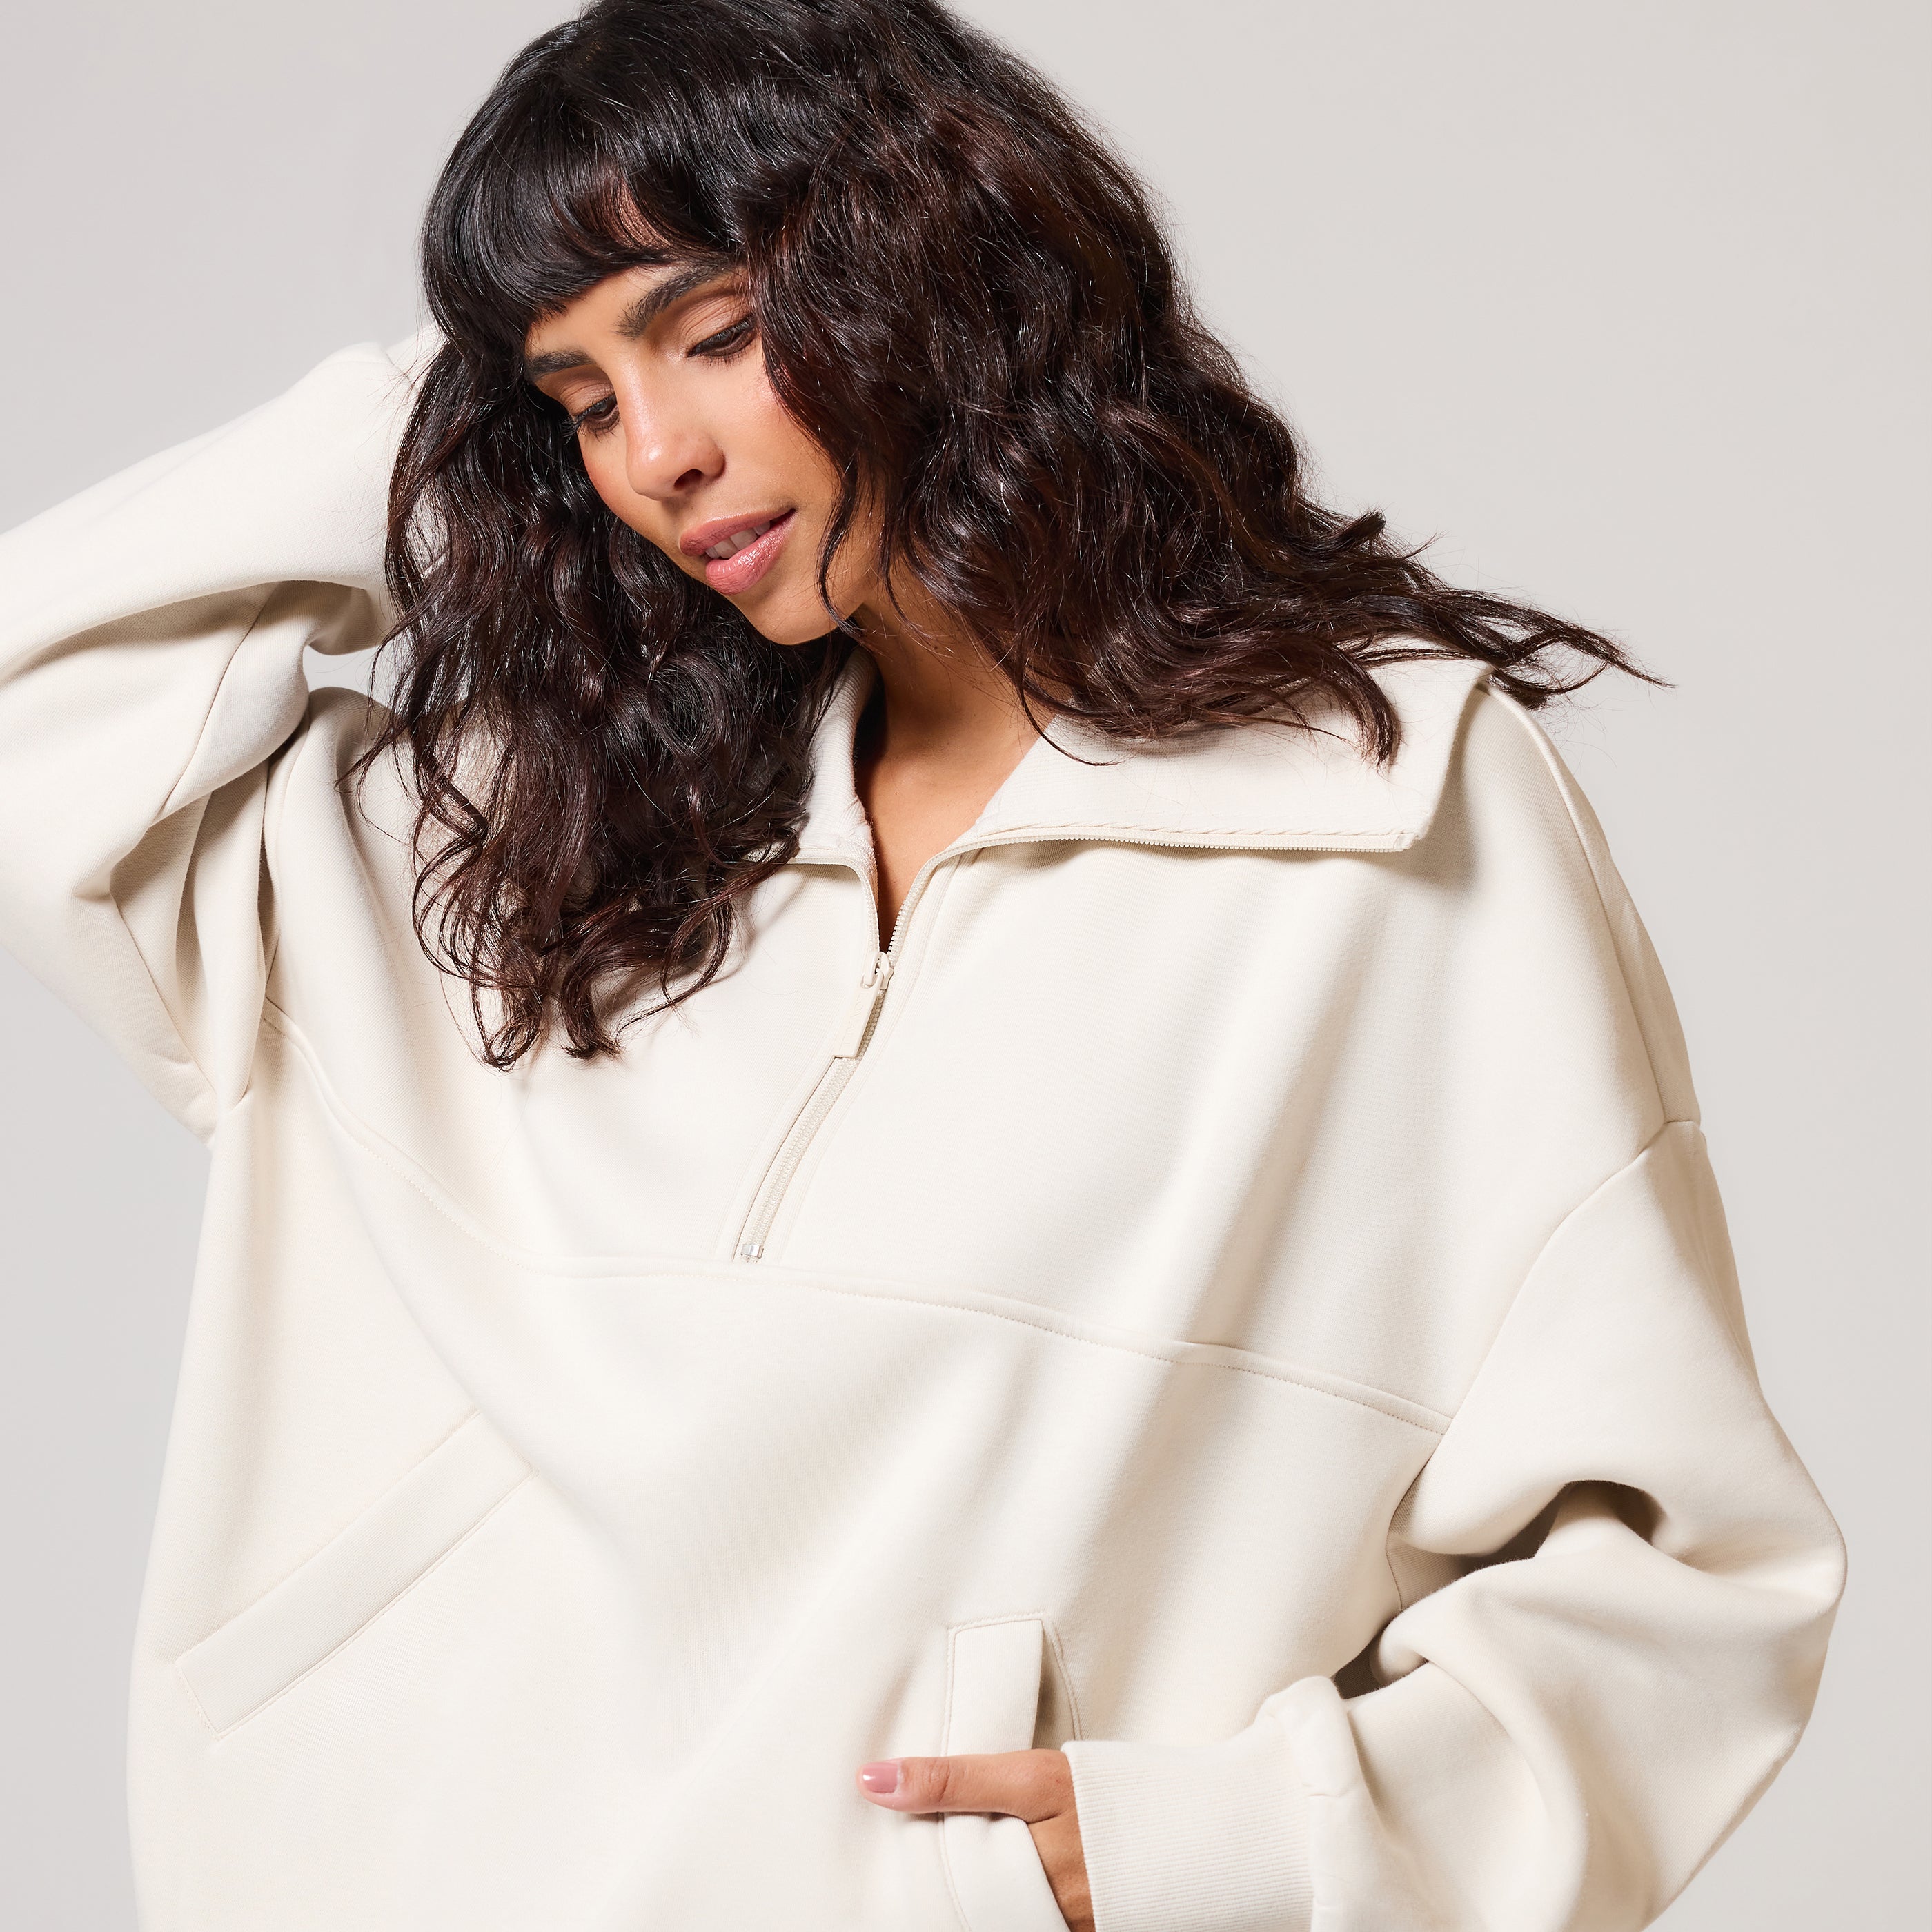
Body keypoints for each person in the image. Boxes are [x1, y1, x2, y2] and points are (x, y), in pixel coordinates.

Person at [0, 2, 1842, 1928]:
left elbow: (1683, 1577)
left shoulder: (1368, 819)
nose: (660, 455)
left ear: (934, 271)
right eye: (584, 400)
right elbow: (38, 699)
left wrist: (1247, 1846)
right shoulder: (522, 839)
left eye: (718, 332)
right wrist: (466, 417)